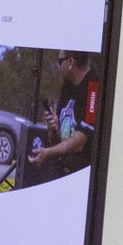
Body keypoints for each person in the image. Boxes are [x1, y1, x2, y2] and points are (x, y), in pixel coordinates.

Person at [26, 48, 101, 181]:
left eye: (60, 61)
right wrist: (53, 128)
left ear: (70, 62)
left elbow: (80, 142)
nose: (58, 66)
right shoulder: (67, 85)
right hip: (62, 167)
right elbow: (57, 141)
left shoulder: (93, 87)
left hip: (82, 173)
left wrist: (47, 153)